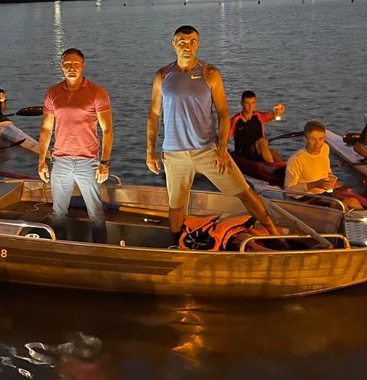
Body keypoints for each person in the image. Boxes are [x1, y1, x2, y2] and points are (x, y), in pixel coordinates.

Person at [146, 25, 280, 246]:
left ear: (198, 44)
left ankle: (275, 235)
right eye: (182, 42)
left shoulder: (210, 73)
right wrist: (150, 150)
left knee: (244, 192)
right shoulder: (162, 76)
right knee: (176, 204)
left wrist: (221, 149)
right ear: (173, 44)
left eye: (192, 42)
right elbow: (153, 114)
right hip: (174, 153)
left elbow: (223, 113)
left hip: (208, 150)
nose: (187, 46)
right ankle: (175, 245)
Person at [37, 48, 113, 244]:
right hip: (61, 161)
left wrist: (104, 162)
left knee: (95, 212)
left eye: (76, 64)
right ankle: (60, 249)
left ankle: (100, 250)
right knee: (58, 213)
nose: (72, 68)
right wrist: (42, 161)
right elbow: (46, 129)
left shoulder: (97, 92)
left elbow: (107, 130)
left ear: (83, 65)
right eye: (67, 64)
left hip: (88, 162)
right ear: (62, 67)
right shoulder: (53, 93)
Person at [229, 90, 285, 163]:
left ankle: (285, 169)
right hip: (243, 154)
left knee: (274, 152)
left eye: (253, 103)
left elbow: (273, 115)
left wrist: (279, 111)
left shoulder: (259, 116)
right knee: (262, 141)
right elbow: (225, 137)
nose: (250, 106)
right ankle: (271, 167)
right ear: (242, 104)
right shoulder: (235, 120)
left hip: (257, 151)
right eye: (247, 103)